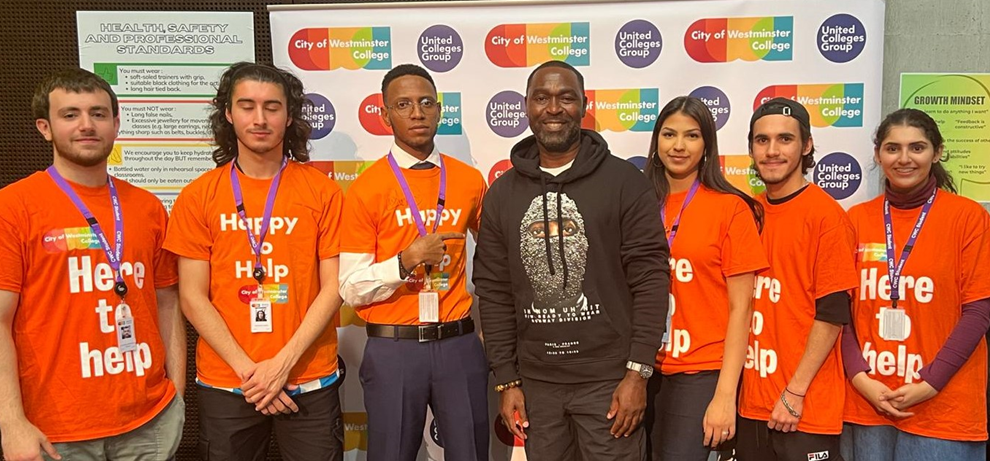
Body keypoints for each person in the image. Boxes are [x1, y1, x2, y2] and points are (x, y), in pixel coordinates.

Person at [474, 60, 670, 461]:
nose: (553, 108)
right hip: (536, 387)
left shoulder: (624, 183)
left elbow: (651, 281)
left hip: (610, 381)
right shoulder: (502, 194)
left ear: (583, 104)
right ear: (527, 106)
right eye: (541, 98)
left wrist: (637, 373)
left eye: (566, 97)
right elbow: (493, 292)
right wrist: (506, 380)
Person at [0, 68, 185, 460]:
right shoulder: (11, 208)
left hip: (149, 422)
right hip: (56, 430)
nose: (86, 125)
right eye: (70, 115)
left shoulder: (147, 207)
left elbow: (167, 301)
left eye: (98, 114)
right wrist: (11, 423)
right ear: (45, 127)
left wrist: (176, 396)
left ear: (116, 125)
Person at [164, 62, 345, 460]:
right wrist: (253, 373)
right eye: (247, 106)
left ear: (290, 114)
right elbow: (192, 297)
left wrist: (280, 366)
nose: (260, 119)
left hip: (307, 378)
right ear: (228, 114)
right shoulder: (198, 196)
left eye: (272, 107)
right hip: (229, 384)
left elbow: (335, 288)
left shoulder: (322, 191)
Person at [338, 64, 489, 461]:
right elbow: (350, 288)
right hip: (394, 348)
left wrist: (493, 329)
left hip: (458, 342)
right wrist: (403, 262)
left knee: (471, 454)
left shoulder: (470, 180)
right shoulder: (365, 189)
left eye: (425, 103)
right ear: (386, 115)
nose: (417, 113)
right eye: (403, 105)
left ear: (439, 110)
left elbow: (496, 259)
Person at [840, 109, 990, 460]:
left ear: (937, 152)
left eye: (917, 147)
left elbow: (977, 314)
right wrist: (861, 379)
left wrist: (929, 383)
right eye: (893, 148)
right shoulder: (856, 220)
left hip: (942, 408)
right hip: (867, 405)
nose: (904, 158)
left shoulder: (970, 219)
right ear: (879, 154)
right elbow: (839, 311)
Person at [641, 96, 768, 461]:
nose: (679, 146)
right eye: (669, 134)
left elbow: (741, 308)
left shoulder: (731, 209)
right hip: (640, 370)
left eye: (691, 135)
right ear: (656, 142)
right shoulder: (636, 202)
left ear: (707, 145)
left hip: (700, 372)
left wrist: (726, 396)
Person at [735, 97, 858, 461]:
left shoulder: (826, 216)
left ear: (806, 146)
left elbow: (833, 313)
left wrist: (795, 392)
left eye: (785, 140)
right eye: (762, 140)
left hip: (803, 408)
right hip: (752, 406)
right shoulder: (748, 212)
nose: (772, 151)